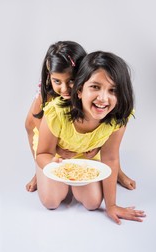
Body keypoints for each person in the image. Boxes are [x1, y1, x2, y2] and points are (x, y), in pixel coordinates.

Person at [35, 51, 146, 224]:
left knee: (93, 203)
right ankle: (39, 176)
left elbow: (110, 157)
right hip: (55, 156)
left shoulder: (117, 119)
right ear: (79, 90)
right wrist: (53, 165)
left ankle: (116, 176)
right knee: (51, 201)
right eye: (95, 87)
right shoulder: (57, 113)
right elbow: (42, 153)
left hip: (87, 153)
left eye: (113, 90)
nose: (103, 98)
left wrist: (111, 205)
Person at [25, 41, 136, 192]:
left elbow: (100, 128)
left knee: (108, 154)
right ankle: (38, 172)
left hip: (79, 136)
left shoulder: (88, 92)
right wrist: (57, 146)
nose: (64, 89)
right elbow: (33, 122)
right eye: (57, 81)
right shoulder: (51, 93)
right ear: (50, 77)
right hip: (54, 135)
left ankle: (119, 172)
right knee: (33, 133)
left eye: (71, 81)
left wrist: (96, 146)